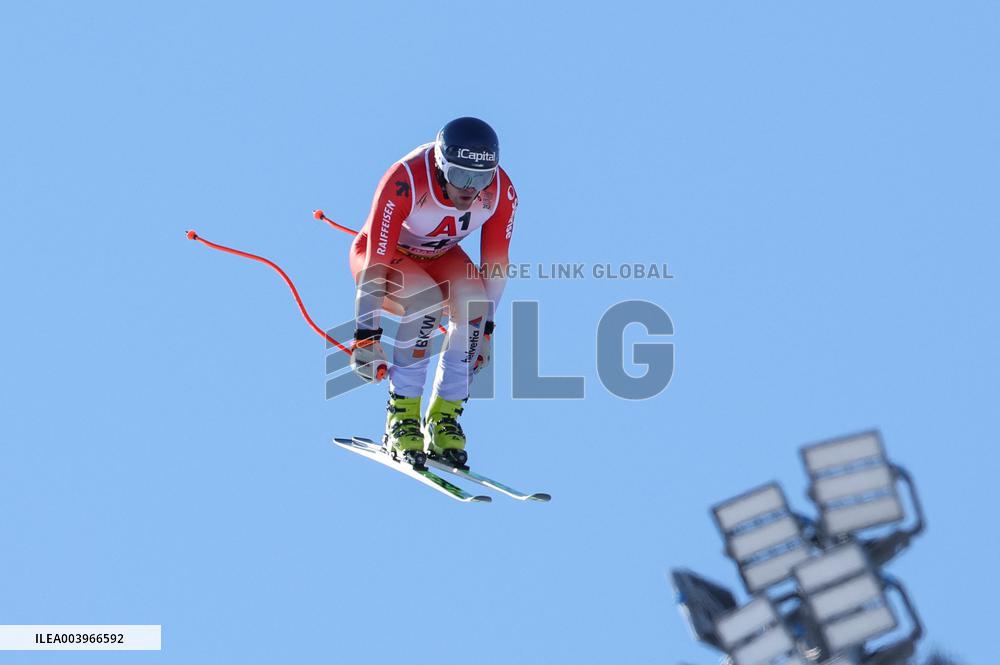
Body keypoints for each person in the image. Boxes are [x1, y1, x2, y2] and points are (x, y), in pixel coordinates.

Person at [348, 117, 517, 469]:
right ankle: (402, 418)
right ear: (441, 167)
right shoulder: (405, 180)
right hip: (384, 256)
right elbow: (376, 261)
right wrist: (366, 336)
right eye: (460, 176)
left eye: (481, 178)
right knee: (425, 303)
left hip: (440, 256)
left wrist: (485, 332)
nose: (470, 189)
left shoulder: (501, 192)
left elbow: (496, 266)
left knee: (474, 306)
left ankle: (444, 419)